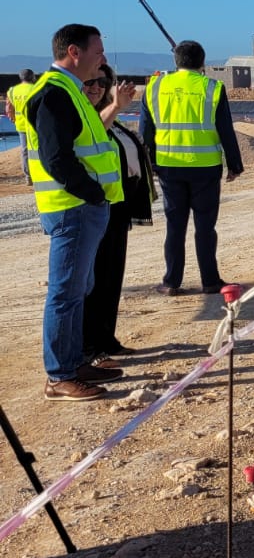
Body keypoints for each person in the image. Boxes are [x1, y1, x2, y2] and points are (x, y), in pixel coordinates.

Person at [26, 25, 124, 401]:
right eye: (98, 50)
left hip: (82, 208)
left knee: (79, 288)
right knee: (65, 292)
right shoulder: (54, 93)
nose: (103, 57)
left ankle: (74, 360)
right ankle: (60, 375)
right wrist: (91, 193)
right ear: (74, 51)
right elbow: (56, 158)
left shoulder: (71, 90)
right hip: (73, 208)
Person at [141, 40, 244, 294]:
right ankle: (209, 281)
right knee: (205, 227)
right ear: (203, 63)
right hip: (205, 168)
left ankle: (171, 282)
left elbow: (145, 132)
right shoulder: (213, 88)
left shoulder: (155, 87)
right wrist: (234, 164)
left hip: (168, 167)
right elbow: (225, 130)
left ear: (176, 62)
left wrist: (149, 163)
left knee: (175, 226)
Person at [83, 62, 155, 365]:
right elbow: (94, 133)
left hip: (117, 207)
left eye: (102, 82)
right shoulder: (87, 119)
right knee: (94, 282)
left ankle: (106, 340)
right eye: (90, 83)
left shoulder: (113, 119)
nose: (96, 87)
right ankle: (91, 347)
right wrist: (115, 105)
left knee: (112, 277)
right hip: (95, 209)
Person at [6, 68, 37, 185]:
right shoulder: (36, 89)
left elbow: (9, 109)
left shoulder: (13, 91)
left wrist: (13, 119)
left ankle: (28, 177)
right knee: (39, 150)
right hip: (36, 125)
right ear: (32, 77)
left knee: (24, 151)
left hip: (21, 125)